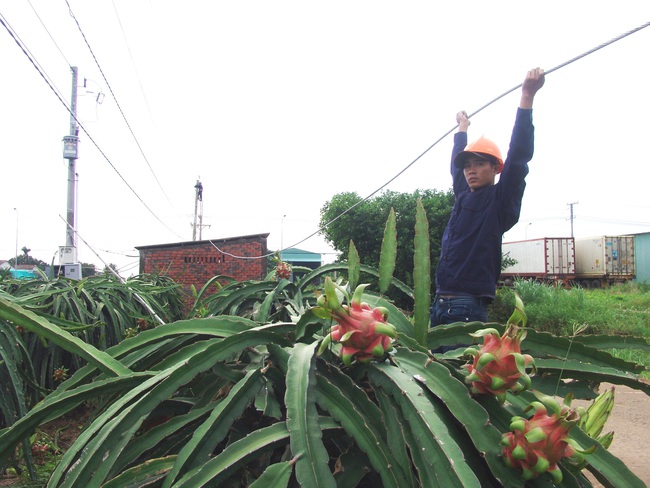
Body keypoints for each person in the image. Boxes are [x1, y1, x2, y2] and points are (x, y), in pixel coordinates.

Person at [430, 68, 545, 346]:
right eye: (468, 165)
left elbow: (518, 157)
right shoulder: (463, 194)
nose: (471, 170)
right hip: (439, 302)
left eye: (479, 164)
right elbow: (455, 166)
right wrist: (462, 128)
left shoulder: (500, 200)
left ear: (496, 168)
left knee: (458, 383)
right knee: (433, 375)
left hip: (467, 307)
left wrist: (526, 97)